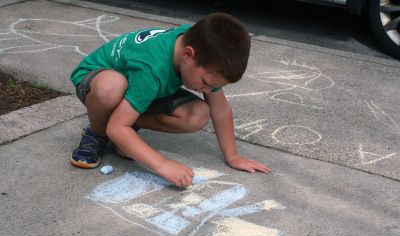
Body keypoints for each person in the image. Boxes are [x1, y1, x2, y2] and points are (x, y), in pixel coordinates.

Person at [70, 12, 271, 187]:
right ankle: (96, 133)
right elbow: (116, 127)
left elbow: (220, 110)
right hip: (96, 81)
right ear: (188, 55)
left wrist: (233, 156)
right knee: (110, 89)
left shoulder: (204, 51)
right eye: (205, 82)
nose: (207, 89)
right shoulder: (152, 68)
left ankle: (126, 123)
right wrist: (162, 164)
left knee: (197, 114)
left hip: (139, 88)